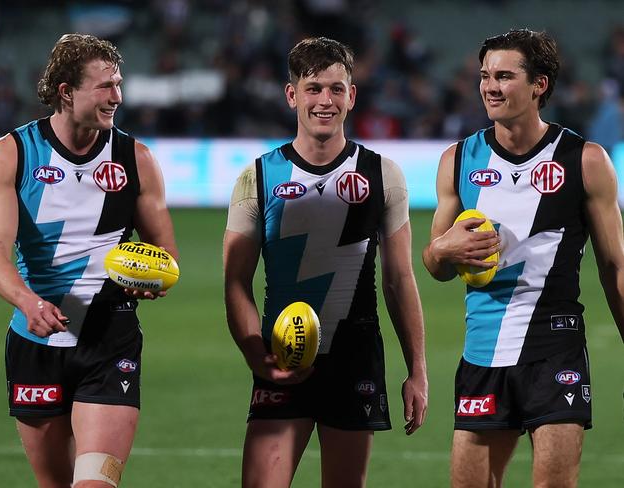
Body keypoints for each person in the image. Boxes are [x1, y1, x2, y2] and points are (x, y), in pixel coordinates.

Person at [423, 28, 624, 488]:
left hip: (555, 350)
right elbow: (434, 265)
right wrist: (442, 248)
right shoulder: (458, 160)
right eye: (484, 76)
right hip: (483, 352)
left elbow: (616, 267)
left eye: (505, 76)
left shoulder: (584, 161)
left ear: (539, 85)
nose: (490, 86)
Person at [223, 37, 428, 487]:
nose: (325, 100)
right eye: (314, 88)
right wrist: (257, 355)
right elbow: (235, 283)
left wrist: (417, 370)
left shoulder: (383, 174)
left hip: (355, 358)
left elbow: (399, 279)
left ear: (352, 96)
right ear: (292, 95)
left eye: (336, 89)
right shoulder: (257, 176)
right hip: (283, 356)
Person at [0, 34, 178, 488]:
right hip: (37, 345)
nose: (117, 97)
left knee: (95, 483)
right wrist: (27, 302)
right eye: (105, 86)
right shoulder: (13, 154)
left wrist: (150, 280)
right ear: (67, 91)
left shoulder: (137, 159)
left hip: (110, 340)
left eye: (119, 84)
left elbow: (167, 258)